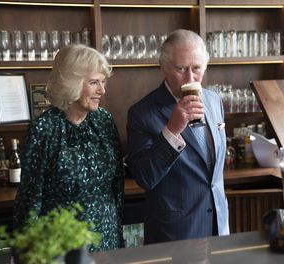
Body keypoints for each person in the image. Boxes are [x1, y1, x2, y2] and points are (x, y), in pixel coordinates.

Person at [13, 44, 125, 252]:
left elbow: (117, 185)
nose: (102, 90)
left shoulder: (105, 121)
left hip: (107, 239)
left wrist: (118, 234)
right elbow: (30, 198)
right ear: (72, 84)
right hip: (63, 245)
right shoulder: (44, 129)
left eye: (103, 82)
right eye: (94, 83)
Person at [126, 29, 229, 244]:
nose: (190, 78)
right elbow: (145, 178)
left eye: (197, 68)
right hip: (175, 235)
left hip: (218, 227)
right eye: (181, 69)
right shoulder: (142, 113)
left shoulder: (213, 100)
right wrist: (172, 129)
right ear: (163, 67)